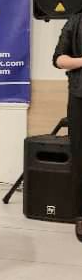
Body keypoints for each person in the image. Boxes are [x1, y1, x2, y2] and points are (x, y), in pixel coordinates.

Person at [52, 14, 82, 243]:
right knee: (80, 159)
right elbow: (59, 59)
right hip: (79, 98)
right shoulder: (75, 21)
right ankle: (80, 215)